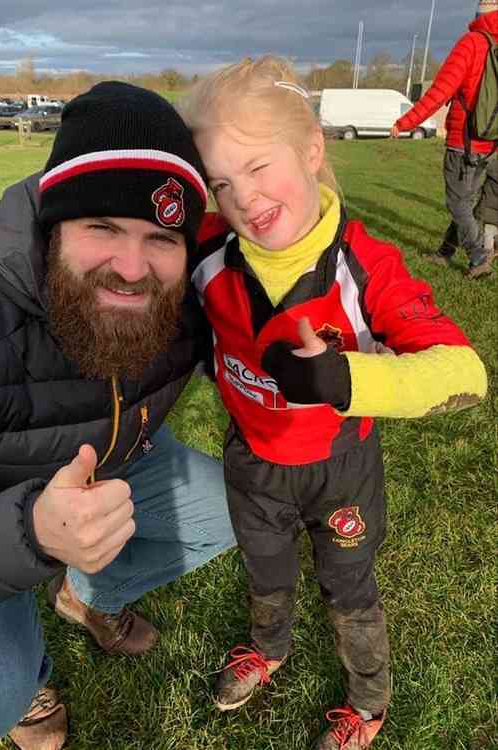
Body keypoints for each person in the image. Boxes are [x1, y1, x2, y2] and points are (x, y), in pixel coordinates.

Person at [178, 56, 488, 749]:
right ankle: (271, 647)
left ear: (312, 149)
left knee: (347, 588)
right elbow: (114, 212)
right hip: (252, 461)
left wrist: (345, 380)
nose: (244, 199)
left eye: (258, 167)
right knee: (266, 572)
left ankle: (367, 704)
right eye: (222, 183)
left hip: (338, 466)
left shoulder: (365, 265)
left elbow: (464, 372)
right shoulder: (205, 248)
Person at [0, 81, 236, 750]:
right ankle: (28, 671)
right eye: (101, 226)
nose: (131, 267)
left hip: (120, 466)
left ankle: (88, 595)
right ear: (53, 226)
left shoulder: (186, 298)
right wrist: (30, 535)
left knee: (240, 506)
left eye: (159, 236)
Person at [391, 0, 498, 279]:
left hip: (463, 142)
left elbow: (439, 92)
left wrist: (405, 123)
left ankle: (478, 256)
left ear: (480, 14)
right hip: (491, 143)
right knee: (464, 200)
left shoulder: (471, 43)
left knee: (457, 203)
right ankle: (445, 253)